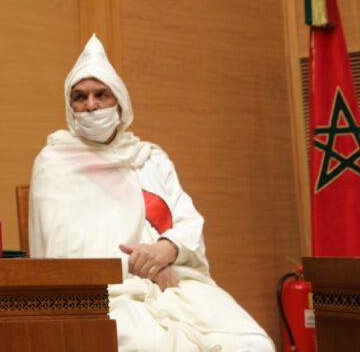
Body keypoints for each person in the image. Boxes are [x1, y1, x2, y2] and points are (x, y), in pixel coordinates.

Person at [29, 35, 274, 352]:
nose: (90, 105)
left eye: (101, 94)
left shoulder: (150, 159)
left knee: (252, 343)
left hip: (177, 281)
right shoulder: (55, 162)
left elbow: (188, 220)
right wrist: (146, 267)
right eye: (80, 97)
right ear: (70, 107)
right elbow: (64, 252)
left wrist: (168, 249)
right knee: (150, 345)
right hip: (104, 294)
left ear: (120, 102)